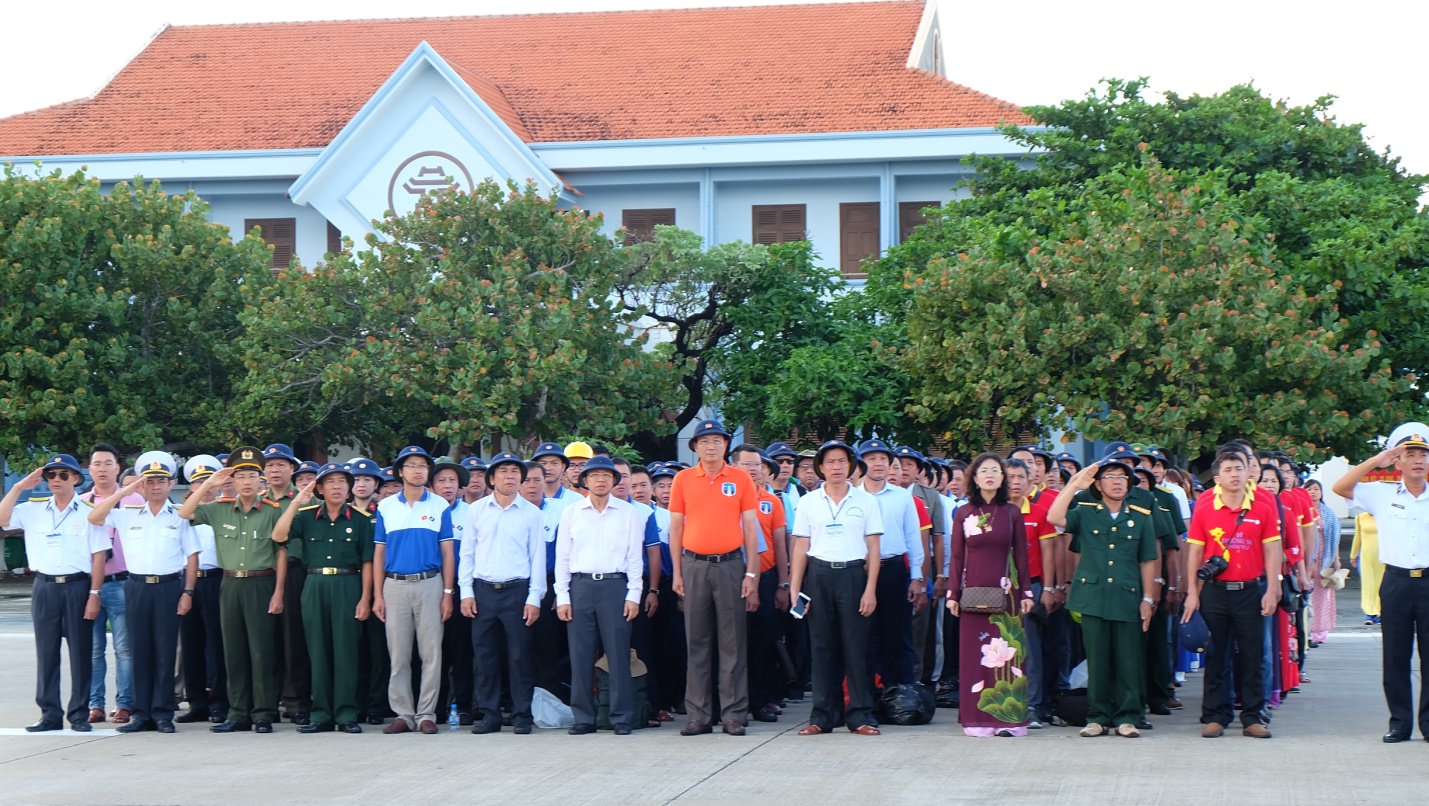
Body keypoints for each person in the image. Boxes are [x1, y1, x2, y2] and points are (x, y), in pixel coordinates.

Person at [1047, 452, 1159, 738]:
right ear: (1098, 484)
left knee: (1128, 659)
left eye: (1122, 478)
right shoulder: (1085, 512)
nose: (1117, 483)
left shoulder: (1141, 518)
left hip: (1127, 596)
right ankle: (1097, 717)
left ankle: (1128, 716)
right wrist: (1074, 483)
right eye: (1110, 477)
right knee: (1097, 660)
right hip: (1093, 596)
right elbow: (1054, 516)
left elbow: (1148, 559)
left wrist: (1148, 599)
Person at [86, 451, 200, 734]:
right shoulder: (126, 514)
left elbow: (192, 556)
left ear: (171, 484)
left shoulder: (179, 516)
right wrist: (125, 491)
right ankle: (141, 713)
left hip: (168, 587)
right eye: (150, 482)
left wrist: (187, 591)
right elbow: (95, 517)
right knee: (140, 651)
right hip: (135, 587)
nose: (156, 487)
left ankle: (162, 713)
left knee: (164, 651)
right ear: (142, 485)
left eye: (161, 481)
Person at [178, 447, 287, 734]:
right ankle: (238, 712)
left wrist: (278, 592)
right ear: (233, 481)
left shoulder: (272, 512)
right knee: (233, 651)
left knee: (261, 651)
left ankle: (263, 712)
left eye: (253, 475)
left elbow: (281, 554)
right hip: (229, 584)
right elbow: (185, 512)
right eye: (241, 476)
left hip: (261, 582)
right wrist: (210, 485)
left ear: (261, 480)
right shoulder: (219, 508)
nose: (247, 481)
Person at [1331, 426, 1429, 743]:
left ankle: (1428, 724)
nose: (1417, 460)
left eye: (1423, 454)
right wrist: (1378, 459)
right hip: (1396, 582)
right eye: (1409, 454)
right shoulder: (1382, 493)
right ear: (1397, 461)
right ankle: (1400, 723)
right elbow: (1340, 486)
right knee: (1395, 657)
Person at [0, 455, 110, 732]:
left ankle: (79, 714)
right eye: (51, 475)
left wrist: (94, 594)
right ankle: (50, 714)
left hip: (77, 586)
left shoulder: (88, 512)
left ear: (75, 478)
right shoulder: (33, 509)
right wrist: (19, 487)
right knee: (47, 653)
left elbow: (99, 557)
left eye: (63, 475)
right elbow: (2, 518)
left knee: (81, 653)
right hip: (45, 587)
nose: (56, 480)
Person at [669, 420, 761, 737]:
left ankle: (734, 714)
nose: (711, 446)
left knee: (733, 642)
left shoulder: (740, 479)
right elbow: (676, 529)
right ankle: (698, 714)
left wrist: (751, 572)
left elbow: (751, 527)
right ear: (695, 446)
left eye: (717, 441)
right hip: (694, 565)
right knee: (696, 641)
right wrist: (677, 573)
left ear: (726, 446)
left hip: (732, 565)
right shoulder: (682, 480)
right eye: (705, 441)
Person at [1181, 446, 1281, 739]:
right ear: (1217, 477)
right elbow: (1194, 552)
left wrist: (1272, 589)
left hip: (1252, 590)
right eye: (1228, 470)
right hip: (1215, 592)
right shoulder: (1204, 506)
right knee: (1217, 655)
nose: (1235, 474)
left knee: (1253, 656)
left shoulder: (1262, 504)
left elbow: (1272, 550)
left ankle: (1253, 716)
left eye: (1239, 468)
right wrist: (1192, 592)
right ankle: (1216, 715)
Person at [789, 440, 883, 736]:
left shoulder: (866, 501)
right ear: (821, 467)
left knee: (856, 648)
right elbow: (801, 545)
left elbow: (874, 548)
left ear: (850, 466)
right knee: (822, 647)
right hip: (818, 576)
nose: (836, 467)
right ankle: (822, 716)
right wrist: (795, 588)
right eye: (830, 462)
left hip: (853, 575)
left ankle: (860, 715)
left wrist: (870, 590)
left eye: (842, 461)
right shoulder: (808, 502)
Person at [273, 462, 374, 734]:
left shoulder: (361, 519)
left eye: (342, 482)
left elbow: (367, 562)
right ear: (319, 488)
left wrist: (365, 598)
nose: (337, 487)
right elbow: (279, 535)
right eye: (330, 482)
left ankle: (346, 713)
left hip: (347, 584)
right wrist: (296, 503)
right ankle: (321, 713)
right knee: (317, 651)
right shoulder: (306, 516)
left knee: (346, 652)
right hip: (315, 584)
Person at [555, 456, 644, 736]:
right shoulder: (571, 512)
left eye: (607, 475)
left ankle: (621, 716)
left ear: (614, 481)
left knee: (618, 653)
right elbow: (562, 557)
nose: (601, 480)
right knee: (580, 654)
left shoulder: (628, 513)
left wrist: (634, 594)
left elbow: (634, 557)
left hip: (615, 587)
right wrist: (562, 596)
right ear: (586, 481)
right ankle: (583, 716)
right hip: (580, 587)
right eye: (595, 476)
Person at [946, 454, 1033, 737]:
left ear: (1002, 478)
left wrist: (1026, 592)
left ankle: (1010, 720)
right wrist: (952, 593)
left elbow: (1021, 554)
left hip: (1007, 592)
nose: (990, 475)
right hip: (972, 593)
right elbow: (957, 556)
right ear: (974, 477)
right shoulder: (963, 513)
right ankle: (978, 720)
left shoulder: (1012, 512)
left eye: (996, 471)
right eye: (984, 470)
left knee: (1010, 658)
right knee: (975, 657)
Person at [459, 451, 545, 735]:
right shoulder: (477, 510)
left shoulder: (532, 513)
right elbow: (467, 554)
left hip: (517, 591)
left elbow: (538, 558)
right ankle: (490, 714)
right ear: (491, 479)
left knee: (520, 657)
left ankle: (521, 714)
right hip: (483, 591)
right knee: (485, 657)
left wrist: (535, 598)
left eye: (514, 472)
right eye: (504, 471)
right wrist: (466, 593)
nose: (510, 476)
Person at [372, 445, 455, 736]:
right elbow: (379, 554)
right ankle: (403, 714)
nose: (418, 470)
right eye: (412, 465)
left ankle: (426, 713)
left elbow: (447, 553)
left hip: (430, 584)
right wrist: (378, 595)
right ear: (400, 472)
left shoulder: (439, 506)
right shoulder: (386, 507)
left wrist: (448, 593)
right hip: (394, 585)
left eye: (422, 465)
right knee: (399, 654)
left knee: (431, 653)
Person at [78, 443, 141, 726]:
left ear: (118, 467)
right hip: (89, 584)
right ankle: (95, 704)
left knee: (125, 648)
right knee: (92, 649)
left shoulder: (133, 501)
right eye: (97, 464)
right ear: (89, 469)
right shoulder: (81, 503)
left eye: (108, 463)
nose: (102, 468)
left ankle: (125, 703)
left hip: (122, 583)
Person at [854, 439, 924, 691]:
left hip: (894, 570)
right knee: (864, 635)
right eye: (872, 458)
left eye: (883, 459)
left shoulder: (903, 497)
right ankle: (867, 693)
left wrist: (916, 576)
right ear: (862, 462)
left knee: (898, 634)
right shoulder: (853, 495)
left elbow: (913, 538)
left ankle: (901, 693)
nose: (879, 463)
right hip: (859, 572)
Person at [729, 446, 790, 724]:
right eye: (746, 464)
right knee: (732, 644)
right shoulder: (725, 497)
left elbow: (779, 543)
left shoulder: (771, 501)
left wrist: (783, 583)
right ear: (734, 466)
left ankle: (761, 700)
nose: (753, 469)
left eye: (757, 464)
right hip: (727, 577)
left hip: (764, 578)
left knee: (762, 643)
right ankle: (732, 702)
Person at [1003, 457, 1059, 729]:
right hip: (997, 590)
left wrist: (1048, 589)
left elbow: (1048, 554)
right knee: (1000, 649)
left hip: (1032, 588)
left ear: (1030, 482)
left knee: (1031, 650)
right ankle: (1004, 704)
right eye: (1010, 477)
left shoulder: (1038, 514)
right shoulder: (992, 512)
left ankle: (1033, 705)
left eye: (1020, 478)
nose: (1015, 483)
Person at [261, 443, 310, 726]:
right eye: (269, 465)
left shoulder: (306, 500)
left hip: (294, 573)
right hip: (261, 574)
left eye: (281, 464)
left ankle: (296, 702)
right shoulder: (255, 499)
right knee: (264, 641)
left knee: (294, 640)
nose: (275, 469)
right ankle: (267, 702)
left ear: (292, 469)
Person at [176, 455, 226, 724]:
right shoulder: (181, 514)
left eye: (209, 481)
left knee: (218, 645)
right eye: (198, 482)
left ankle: (219, 702)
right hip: (189, 582)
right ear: (192, 487)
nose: (205, 486)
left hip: (218, 579)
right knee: (192, 644)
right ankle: (196, 703)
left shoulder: (226, 510)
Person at [346, 458, 391, 724]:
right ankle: (356, 702)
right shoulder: (342, 513)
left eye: (367, 480)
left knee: (379, 650)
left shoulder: (382, 514)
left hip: (381, 589)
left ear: (376, 485)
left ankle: (376, 705)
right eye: (357, 480)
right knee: (353, 649)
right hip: (350, 586)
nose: (361, 484)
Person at [430, 457, 474, 724]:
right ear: (432, 485)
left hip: (461, 587)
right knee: (433, 650)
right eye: (441, 480)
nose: (447, 486)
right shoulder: (426, 510)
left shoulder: (471, 513)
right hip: (429, 584)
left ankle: (465, 705)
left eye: (452, 481)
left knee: (461, 651)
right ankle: (434, 707)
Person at [1305, 480, 1341, 647]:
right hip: (1308, 556)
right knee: (1308, 594)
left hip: (1324, 557)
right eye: (1309, 489)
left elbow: (1335, 539)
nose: (1312, 492)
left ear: (1321, 492)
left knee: (1322, 596)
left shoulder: (1329, 513)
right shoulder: (1302, 511)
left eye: (1316, 489)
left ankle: (1319, 632)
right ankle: (1307, 631)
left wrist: (1336, 559)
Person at [1351, 512, 1383, 625]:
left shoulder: (1384, 514)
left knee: (1380, 585)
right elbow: (1357, 537)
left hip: (1383, 557)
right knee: (1368, 585)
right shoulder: (1360, 517)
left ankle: (1380, 613)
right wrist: (1353, 555)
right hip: (1366, 556)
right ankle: (1369, 614)